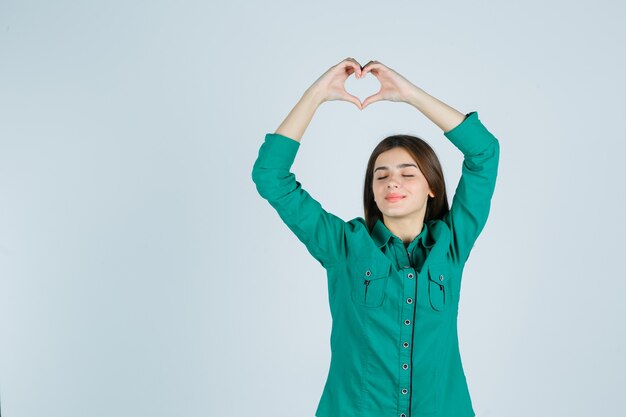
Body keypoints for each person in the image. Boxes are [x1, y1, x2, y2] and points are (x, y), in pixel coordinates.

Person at [251, 57, 500, 417]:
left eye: (407, 173)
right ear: (372, 190)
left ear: (432, 187)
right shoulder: (343, 246)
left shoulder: (452, 244)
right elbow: (270, 175)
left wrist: (411, 95)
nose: (392, 182)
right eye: (380, 175)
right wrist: (315, 95)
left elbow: (485, 152)